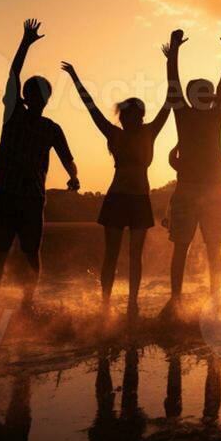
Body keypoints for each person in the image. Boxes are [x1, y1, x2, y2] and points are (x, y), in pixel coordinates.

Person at [0, 18, 78, 311]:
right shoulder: (13, 115)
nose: (38, 98)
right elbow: (12, 75)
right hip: (6, 192)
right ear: (25, 96)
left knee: (31, 252)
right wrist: (25, 42)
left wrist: (74, 177)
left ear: (47, 99)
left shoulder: (51, 128)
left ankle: (27, 302)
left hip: (32, 198)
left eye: (42, 95)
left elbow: (68, 159)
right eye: (33, 94)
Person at [61, 53, 171, 317]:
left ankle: (132, 304)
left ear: (139, 117)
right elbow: (91, 109)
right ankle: (106, 304)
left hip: (137, 199)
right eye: (123, 116)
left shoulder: (148, 132)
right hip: (119, 198)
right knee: (112, 255)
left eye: (130, 115)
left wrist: (172, 59)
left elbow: (170, 101)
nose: (125, 119)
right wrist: (75, 78)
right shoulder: (115, 134)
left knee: (133, 257)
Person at [163, 27, 221, 312]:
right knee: (181, 247)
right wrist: (174, 50)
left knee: (214, 247)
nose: (207, 94)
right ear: (192, 97)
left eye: (209, 91)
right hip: (189, 189)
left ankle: (215, 299)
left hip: (212, 189)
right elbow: (173, 83)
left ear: (213, 96)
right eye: (200, 91)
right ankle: (176, 299)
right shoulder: (183, 113)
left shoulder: (217, 113)